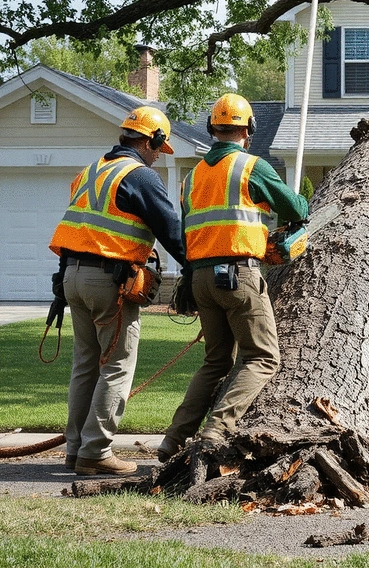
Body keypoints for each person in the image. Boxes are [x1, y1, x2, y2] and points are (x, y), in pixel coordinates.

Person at [157, 93, 308, 461]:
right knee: (263, 357)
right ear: (249, 129)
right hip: (239, 276)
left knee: (216, 361)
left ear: (212, 128)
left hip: (200, 279)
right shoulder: (250, 166)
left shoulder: (192, 177)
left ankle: (174, 438)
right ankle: (217, 429)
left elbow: (193, 230)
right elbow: (295, 207)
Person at [49, 106, 185, 476]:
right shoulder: (140, 176)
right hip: (108, 281)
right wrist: (197, 266)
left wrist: (62, 283)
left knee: (85, 366)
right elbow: (172, 230)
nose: (159, 155)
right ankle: (96, 451)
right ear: (150, 139)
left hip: (73, 277)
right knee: (117, 365)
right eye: (160, 147)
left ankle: (76, 450)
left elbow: (79, 229)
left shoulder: (90, 172)